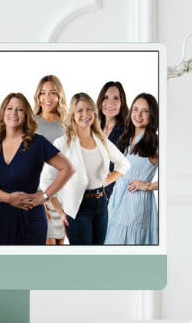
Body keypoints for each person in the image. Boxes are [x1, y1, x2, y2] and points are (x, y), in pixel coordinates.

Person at [0, 93, 75, 245]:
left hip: (31, 219)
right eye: (9, 108)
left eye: (20, 109)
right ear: (3, 112)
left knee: (31, 267)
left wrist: (44, 197)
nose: (14, 113)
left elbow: (68, 168)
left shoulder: (37, 143)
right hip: (0, 219)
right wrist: (9, 199)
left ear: (27, 114)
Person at [41, 94, 130, 245]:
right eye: (79, 110)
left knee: (98, 257)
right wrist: (61, 212)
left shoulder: (102, 140)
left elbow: (124, 164)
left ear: (95, 113)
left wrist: (105, 181)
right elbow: (45, 181)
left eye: (89, 109)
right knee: (82, 259)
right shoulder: (62, 143)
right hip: (77, 209)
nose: (85, 114)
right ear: (73, 116)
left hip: (101, 206)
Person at [105, 93, 159, 245]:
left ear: (152, 115)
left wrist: (147, 186)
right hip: (116, 201)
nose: (139, 114)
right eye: (135, 109)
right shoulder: (126, 139)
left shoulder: (155, 144)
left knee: (124, 250)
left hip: (135, 205)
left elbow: (172, 179)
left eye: (145, 111)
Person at [32, 75, 68, 245]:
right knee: (48, 247)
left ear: (59, 96)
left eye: (52, 93)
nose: (47, 98)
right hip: (41, 195)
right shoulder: (31, 125)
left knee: (61, 247)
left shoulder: (68, 126)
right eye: (43, 93)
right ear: (38, 97)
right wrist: (38, 196)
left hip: (64, 196)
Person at [96, 81, 129, 201]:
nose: (110, 103)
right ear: (100, 102)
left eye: (116, 98)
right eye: (106, 98)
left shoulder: (127, 132)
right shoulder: (93, 130)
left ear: (122, 103)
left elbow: (129, 166)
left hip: (116, 198)